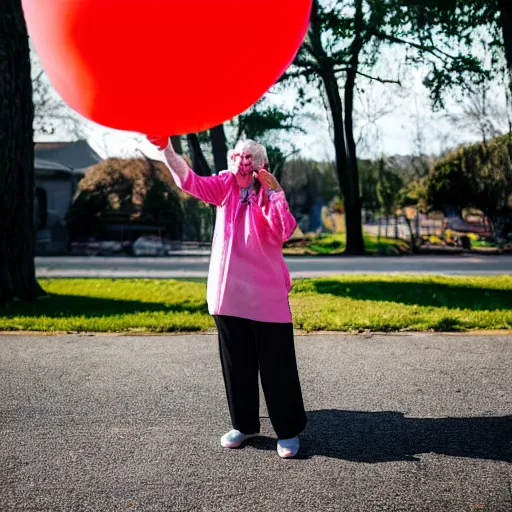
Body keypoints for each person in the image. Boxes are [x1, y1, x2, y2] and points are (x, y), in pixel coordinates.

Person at [147, 135, 307, 458]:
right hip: (229, 294)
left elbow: (284, 230)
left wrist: (274, 191)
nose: (244, 163)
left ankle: (288, 430)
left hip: (267, 295)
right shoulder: (225, 187)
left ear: (262, 166)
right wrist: (166, 149)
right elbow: (189, 181)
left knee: (277, 365)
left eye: (251, 158)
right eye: (240, 156)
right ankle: (244, 424)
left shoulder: (270, 194)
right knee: (237, 364)